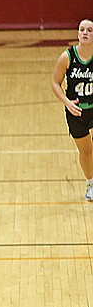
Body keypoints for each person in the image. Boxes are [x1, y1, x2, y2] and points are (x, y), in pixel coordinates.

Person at [52, 19, 93, 201]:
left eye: (90, 30)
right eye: (82, 29)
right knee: (86, 151)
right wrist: (66, 102)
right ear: (78, 33)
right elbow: (55, 82)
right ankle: (90, 184)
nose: (85, 33)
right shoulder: (67, 57)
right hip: (75, 112)